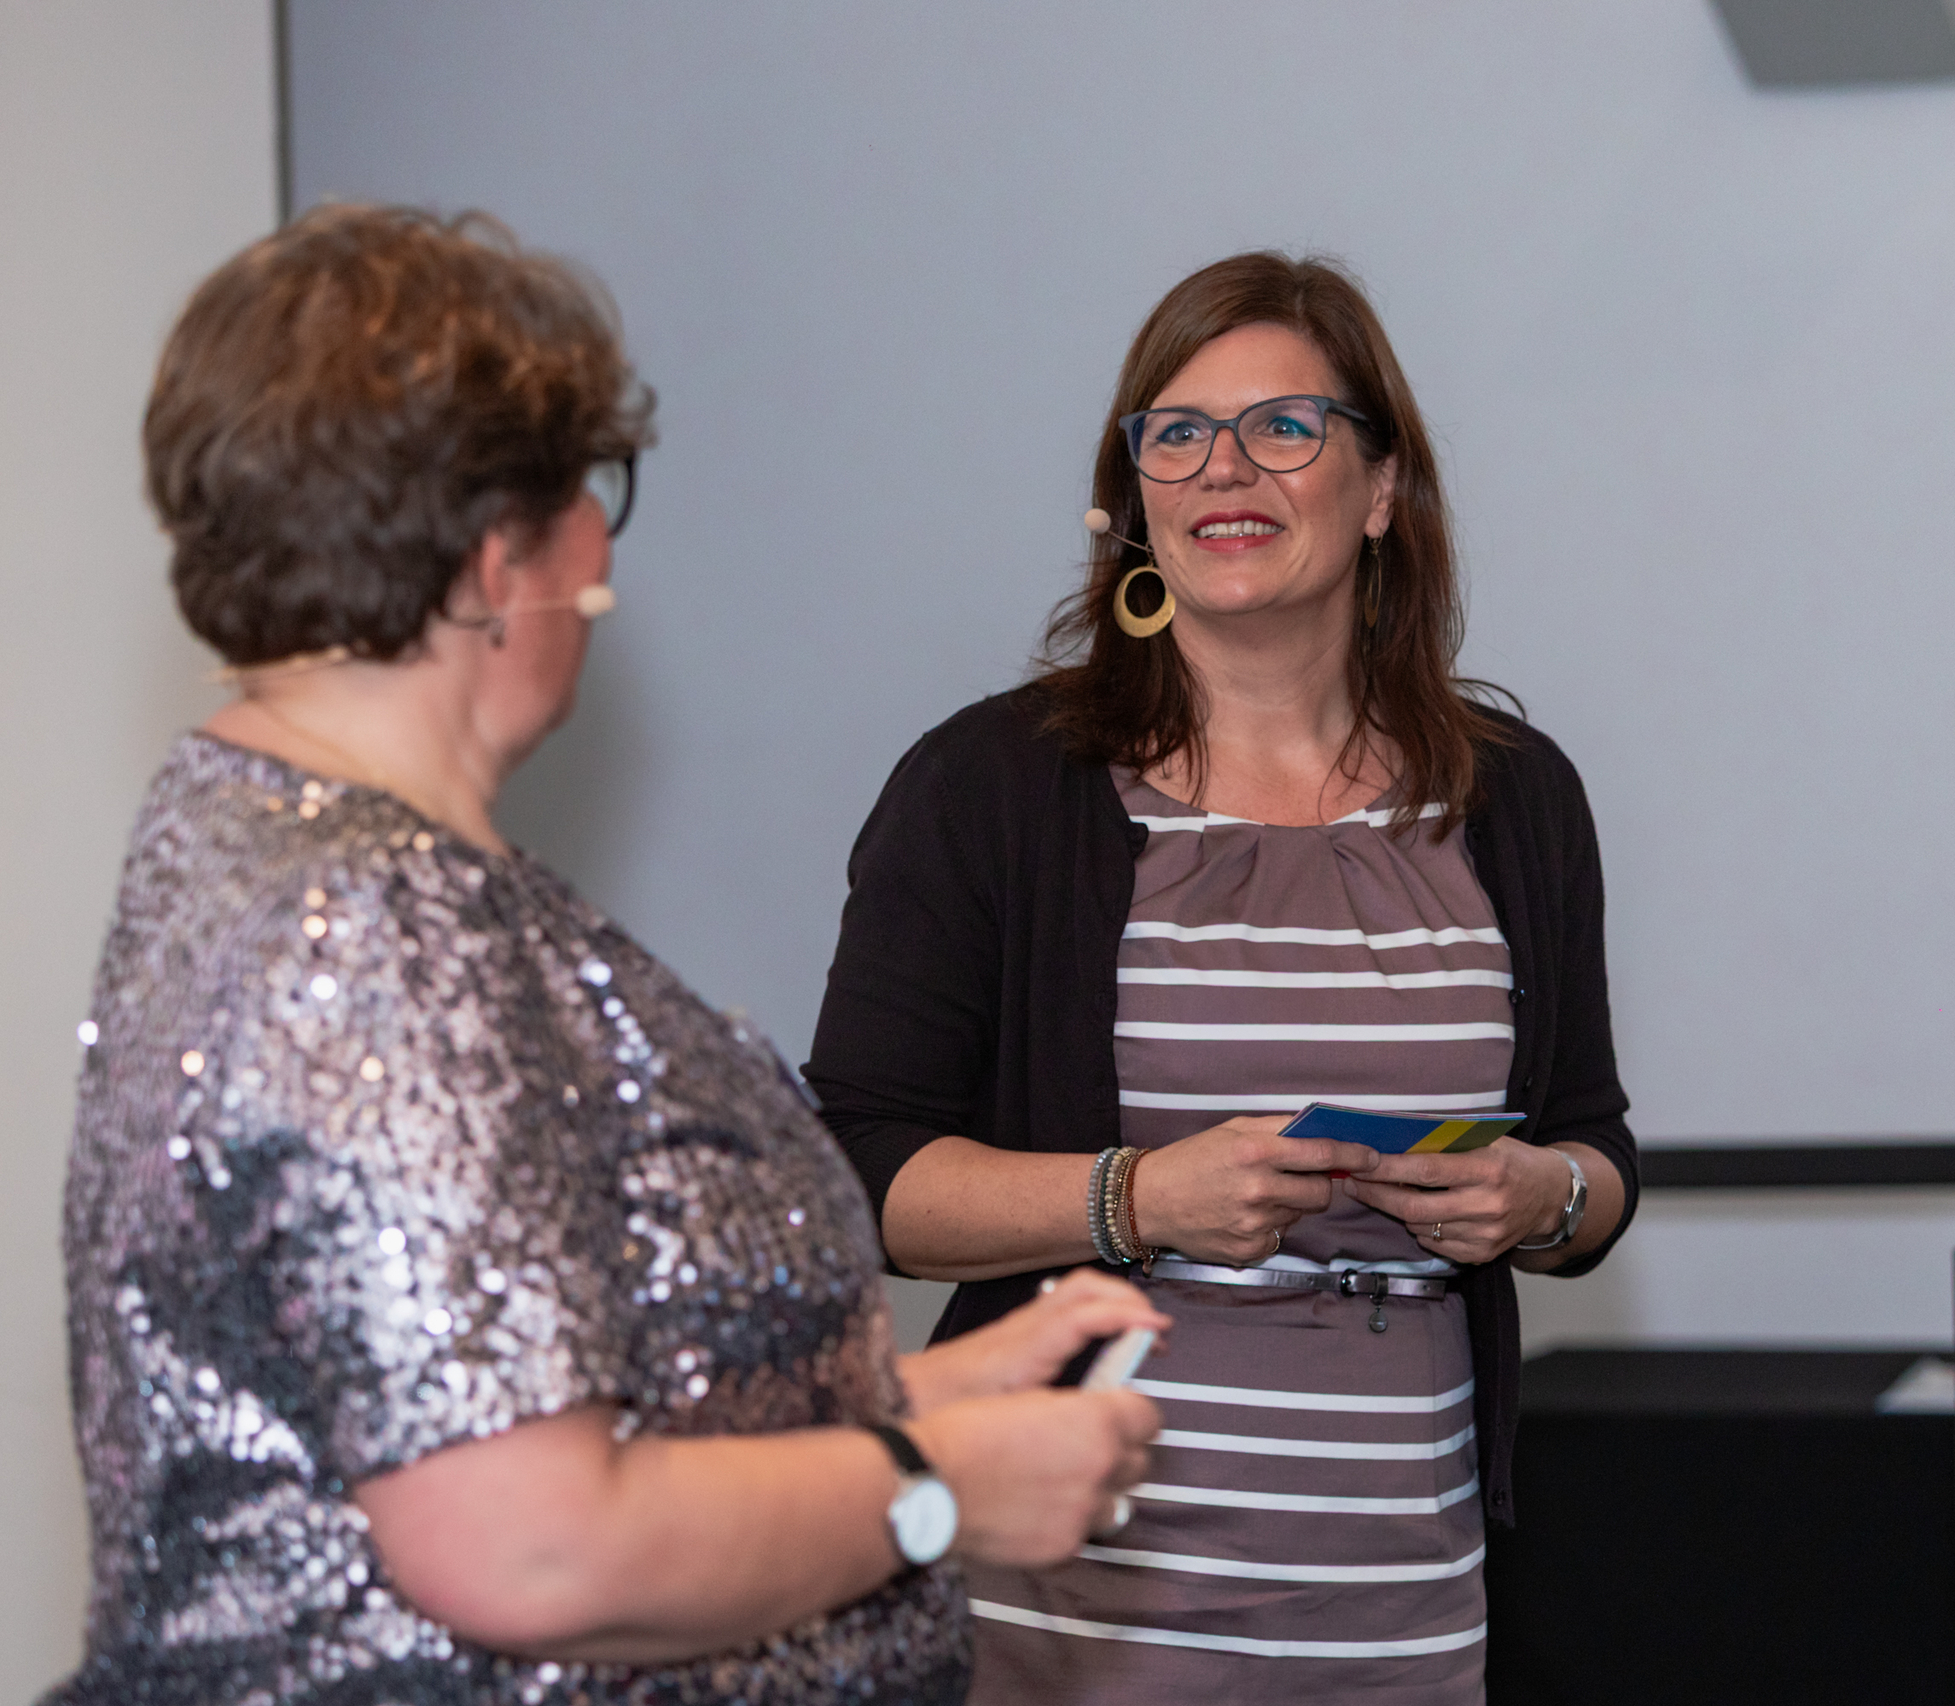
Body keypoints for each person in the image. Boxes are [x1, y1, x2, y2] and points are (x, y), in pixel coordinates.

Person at [47, 204, 1165, 1706]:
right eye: (591, 486)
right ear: (494, 551)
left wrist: (903, 1398)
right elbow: (529, 1549)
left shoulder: (258, 838)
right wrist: (937, 1484)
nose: (602, 544)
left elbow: (475, 1402)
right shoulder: (370, 931)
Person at [805, 252, 1640, 1703]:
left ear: (1381, 488)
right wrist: (1135, 1198)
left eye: (1283, 426)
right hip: (1066, 1607)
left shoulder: (1516, 798)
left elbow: (1594, 1148)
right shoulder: (992, 787)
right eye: (1177, 432)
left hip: (1398, 1602)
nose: (1223, 468)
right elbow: (852, 1168)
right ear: (1132, 499)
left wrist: (1541, 1198)